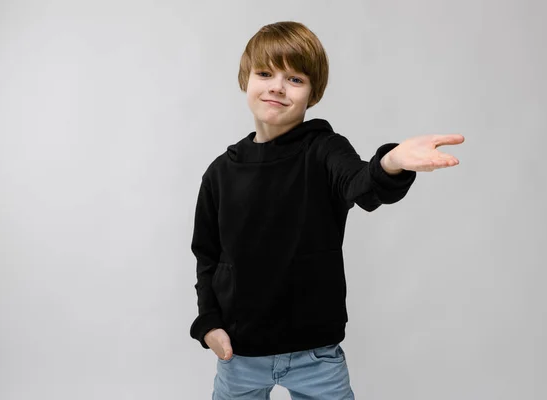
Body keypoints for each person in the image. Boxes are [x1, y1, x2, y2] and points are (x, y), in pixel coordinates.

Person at [189, 21, 464, 399]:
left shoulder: (324, 150)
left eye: (294, 79)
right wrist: (208, 324)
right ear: (245, 79)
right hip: (239, 352)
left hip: (315, 355)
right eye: (265, 73)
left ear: (312, 93)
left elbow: (360, 185)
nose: (277, 87)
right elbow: (206, 255)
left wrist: (391, 163)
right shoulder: (221, 172)